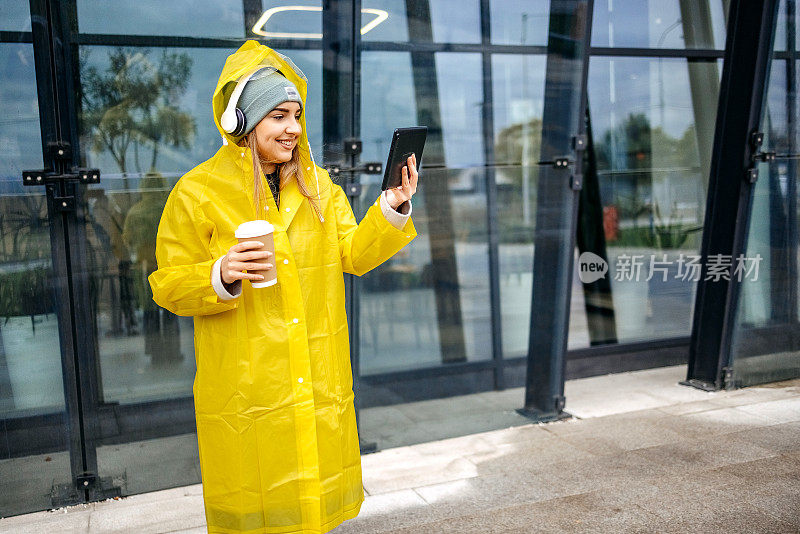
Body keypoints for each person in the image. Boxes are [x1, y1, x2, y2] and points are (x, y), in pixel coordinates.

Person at [148, 40, 418, 534]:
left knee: (313, 503)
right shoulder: (198, 192)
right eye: (277, 116)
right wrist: (221, 273)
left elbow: (353, 255)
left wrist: (392, 207)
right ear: (242, 123)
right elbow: (167, 284)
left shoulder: (318, 187)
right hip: (247, 384)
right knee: (257, 504)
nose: (293, 128)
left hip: (315, 373)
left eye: (296, 115)